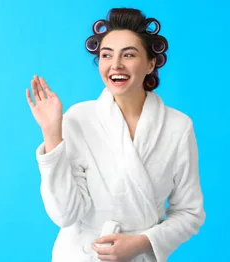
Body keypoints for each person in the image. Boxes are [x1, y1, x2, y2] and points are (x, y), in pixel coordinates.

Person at [25, 8, 205, 262]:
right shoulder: (79, 118)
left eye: (129, 54)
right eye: (106, 55)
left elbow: (190, 212)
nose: (115, 65)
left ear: (151, 63)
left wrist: (141, 243)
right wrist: (52, 132)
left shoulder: (178, 126)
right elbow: (64, 214)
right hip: (80, 255)